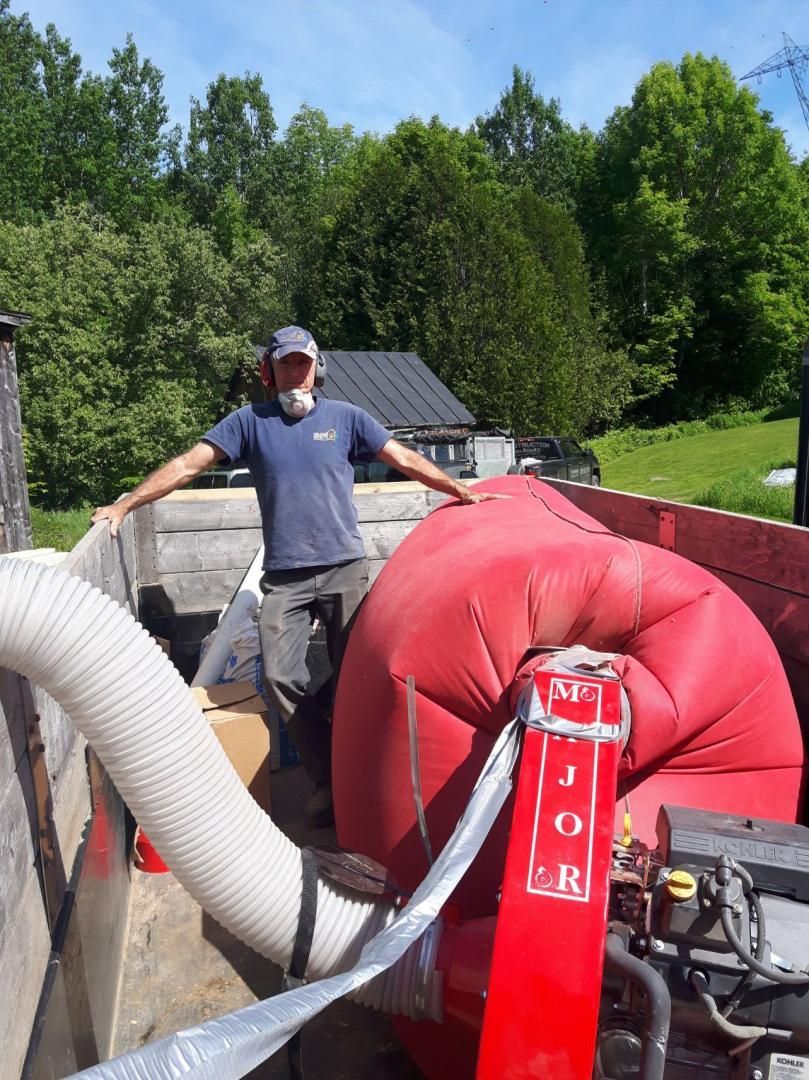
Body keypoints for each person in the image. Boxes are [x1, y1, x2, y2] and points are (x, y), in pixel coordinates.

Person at [93, 326, 501, 826]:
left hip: (343, 571)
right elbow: (187, 465)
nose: (296, 374)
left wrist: (459, 492)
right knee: (279, 676)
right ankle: (328, 775)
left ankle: (366, 774)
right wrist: (126, 503)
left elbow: (405, 458)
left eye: (303, 365)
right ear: (269, 372)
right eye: (285, 365)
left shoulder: (348, 419)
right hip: (284, 577)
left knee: (360, 674)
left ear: (317, 369)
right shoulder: (248, 422)